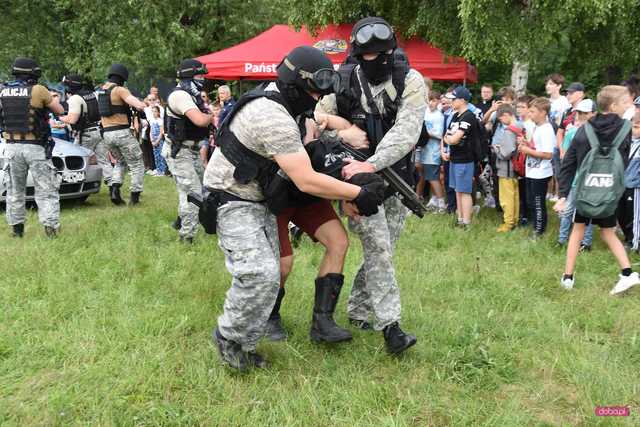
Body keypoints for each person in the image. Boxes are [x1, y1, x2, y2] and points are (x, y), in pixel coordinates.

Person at [205, 45, 385, 371]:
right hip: (232, 198)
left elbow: (325, 126)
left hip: (261, 197)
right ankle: (229, 337)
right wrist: (357, 192)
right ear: (295, 87)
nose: (316, 99)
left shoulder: (289, 102)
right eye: (313, 92)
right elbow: (304, 179)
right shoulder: (272, 115)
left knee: (272, 274)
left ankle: (243, 342)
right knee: (259, 273)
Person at [315, 17, 425, 354]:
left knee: (384, 250)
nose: (373, 62)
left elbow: (407, 131)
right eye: (366, 57)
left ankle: (358, 309)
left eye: (380, 55)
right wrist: (342, 134)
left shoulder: (411, 80)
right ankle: (391, 327)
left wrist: (373, 161)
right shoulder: (343, 79)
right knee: (377, 249)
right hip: (357, 181)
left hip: (395, 175)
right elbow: (314, 122)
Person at [555, 85, 639, 294]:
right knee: (608, 232)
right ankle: (627, 273)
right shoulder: (626, 129)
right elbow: (624, 161)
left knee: (578, 230)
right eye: (625, 102)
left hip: (586, 191)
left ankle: (568, 277)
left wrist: (563, 195)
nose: (628, 105)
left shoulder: (584, 130)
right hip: (610, 192)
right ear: (613, 105)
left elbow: (569, 164)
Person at [0, 57, 64, 237]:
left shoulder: (3, 91)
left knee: (14, 191)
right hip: (35, 147)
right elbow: (59, 110)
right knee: (46, 189)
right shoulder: (39, 89)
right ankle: (50, 229)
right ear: (33, 73)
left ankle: (17, 230)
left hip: (12, 147)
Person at [164, 59, 213, 243]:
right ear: (189, 75)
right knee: (193, 193)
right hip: (179, 151)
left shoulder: (192, 94)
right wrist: (210, 116)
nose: (202, 79)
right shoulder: (180, 96)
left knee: (197, 188)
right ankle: (187, 236)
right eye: (199, 75)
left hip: (191, 150)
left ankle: (180, 220)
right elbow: (200, 120)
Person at [97, 63, 147, 205]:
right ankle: (135, 197)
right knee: (137, 163)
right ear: (122, 77)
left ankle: (114, 190)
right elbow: (137, 104)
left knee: (120, 162)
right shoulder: (119, 90)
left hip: (107, 134)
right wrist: (142, 104)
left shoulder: (102, 90)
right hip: (121, 132)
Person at [59, 74, 112, 186]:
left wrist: (60, 117)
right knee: (103, 160)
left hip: (86, 134)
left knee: (78, 160)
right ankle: (113, 185)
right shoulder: (93, 94)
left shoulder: (75, 98)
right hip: (99, 130)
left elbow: (73, 119)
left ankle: (77, 184)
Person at [557, 99, 595, 249]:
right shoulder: (573, 132)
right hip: (574, 180)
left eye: (585, 113)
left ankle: (586, 242)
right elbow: (566, 158)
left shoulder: (599, 134)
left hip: (590, 181)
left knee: (588, 212)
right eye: (579, 112)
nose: (581, 116)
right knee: (567, 211)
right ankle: (562, 240)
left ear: (593, 113)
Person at [443, 86, 479, 227]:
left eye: (453, 99)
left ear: (462, 100)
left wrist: (449, 139)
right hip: (454, 157)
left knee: (464, 191)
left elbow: (453, 139)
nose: (450, 101)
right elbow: (447, 136)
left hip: (465, 159)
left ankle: (466, 222)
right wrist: (449, 140)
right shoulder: (455, 115)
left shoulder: (468, 116)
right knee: (457, 189)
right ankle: (460, 219)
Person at [519, 97, 554, 237]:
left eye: (533, 112)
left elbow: (548, 154)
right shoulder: (537, 127)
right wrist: (526, 143)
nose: (530, 114)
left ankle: (539, 230)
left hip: (541, 173)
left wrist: (528, 151)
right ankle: (535, 226)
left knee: (538, 202)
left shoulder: (546, 129)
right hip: (531, 170)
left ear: (543, 112)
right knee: (530, 200)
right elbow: (537, 146)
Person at [494, 104, 521, 231]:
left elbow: (507, 152)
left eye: (501, 119)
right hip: (516, 167)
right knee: (514, 195)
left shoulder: (510, 130)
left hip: (507, 168)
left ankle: (508, 223)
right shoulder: (521, 126)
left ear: (506, 115)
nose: (502, 122)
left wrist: (497, 150)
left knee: (506, 197)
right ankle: (514, 219)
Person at [418, 90, 445, 211]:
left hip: (433, 152)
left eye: (433, 100)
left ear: (438, 101)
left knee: (433, 178)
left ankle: (441, 203)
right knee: (424, 176)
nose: (430, 103)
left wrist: (426, 133)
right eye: (429, 100)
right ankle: (425, 199)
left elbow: (440, 135)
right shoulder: (425, 113)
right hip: (423, 150)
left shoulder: (439, 116)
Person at [149, 106, 166, 176]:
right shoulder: (151, 120)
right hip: (153, 140)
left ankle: (162, 170)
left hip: (159, 140)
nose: (154, 113)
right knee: (156, 156)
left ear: (158, 112)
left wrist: (157, 141)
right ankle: (158, 169)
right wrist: (151, 140)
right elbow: (150, 131)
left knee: (160, 155)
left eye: (155, 111)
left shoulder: (160, 120)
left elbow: (161, 132)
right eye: (152, 111)